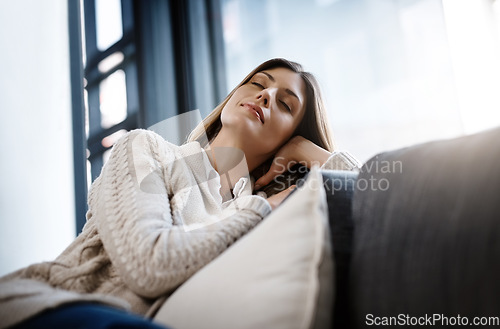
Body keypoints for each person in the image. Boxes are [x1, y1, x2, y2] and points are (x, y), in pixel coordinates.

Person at [0, 58, 360, 329]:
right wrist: (263, 208)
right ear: (235, 94)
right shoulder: (146, 148)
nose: (265, 95)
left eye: (285, 104)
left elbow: (362, 199)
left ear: (290, 136)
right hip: (50, 308)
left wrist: (317, 155)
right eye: (257, 83)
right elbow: (149, 265)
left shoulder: (255, 209)